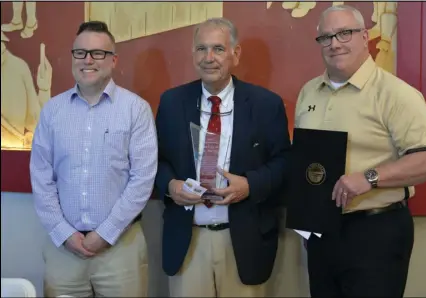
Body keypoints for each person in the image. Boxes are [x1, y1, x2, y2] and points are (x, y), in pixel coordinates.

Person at [294, 5, 426, 298]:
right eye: (325, 37)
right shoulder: (309, 92)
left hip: (376, 231)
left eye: (344, 33)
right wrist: (308, 220)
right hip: (322, 232)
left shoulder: (395, 93)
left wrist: (370, 177)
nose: (334, 43)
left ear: (365, 37)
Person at [155, 17, 291, 297]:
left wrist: (250, 185)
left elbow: (284, 164)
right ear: (193, 54)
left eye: (218, 49)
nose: (209, 58)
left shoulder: (266, 104)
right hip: (188, 240)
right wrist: (171, 186)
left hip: (243, 240)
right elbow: (155, 161)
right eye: (201, 49)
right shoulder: (171, 102)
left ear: (235, 54)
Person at [30, 21, 157, 297]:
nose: (88, 60)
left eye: (98, 53)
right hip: (64, 250)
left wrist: (105, 233)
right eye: (80, 53)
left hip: (121, 248)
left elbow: (142, 180)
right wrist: (64, 233)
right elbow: (41, 178)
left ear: (113, 60)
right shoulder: (52, 112)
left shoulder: (136, 110)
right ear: (72, 57)